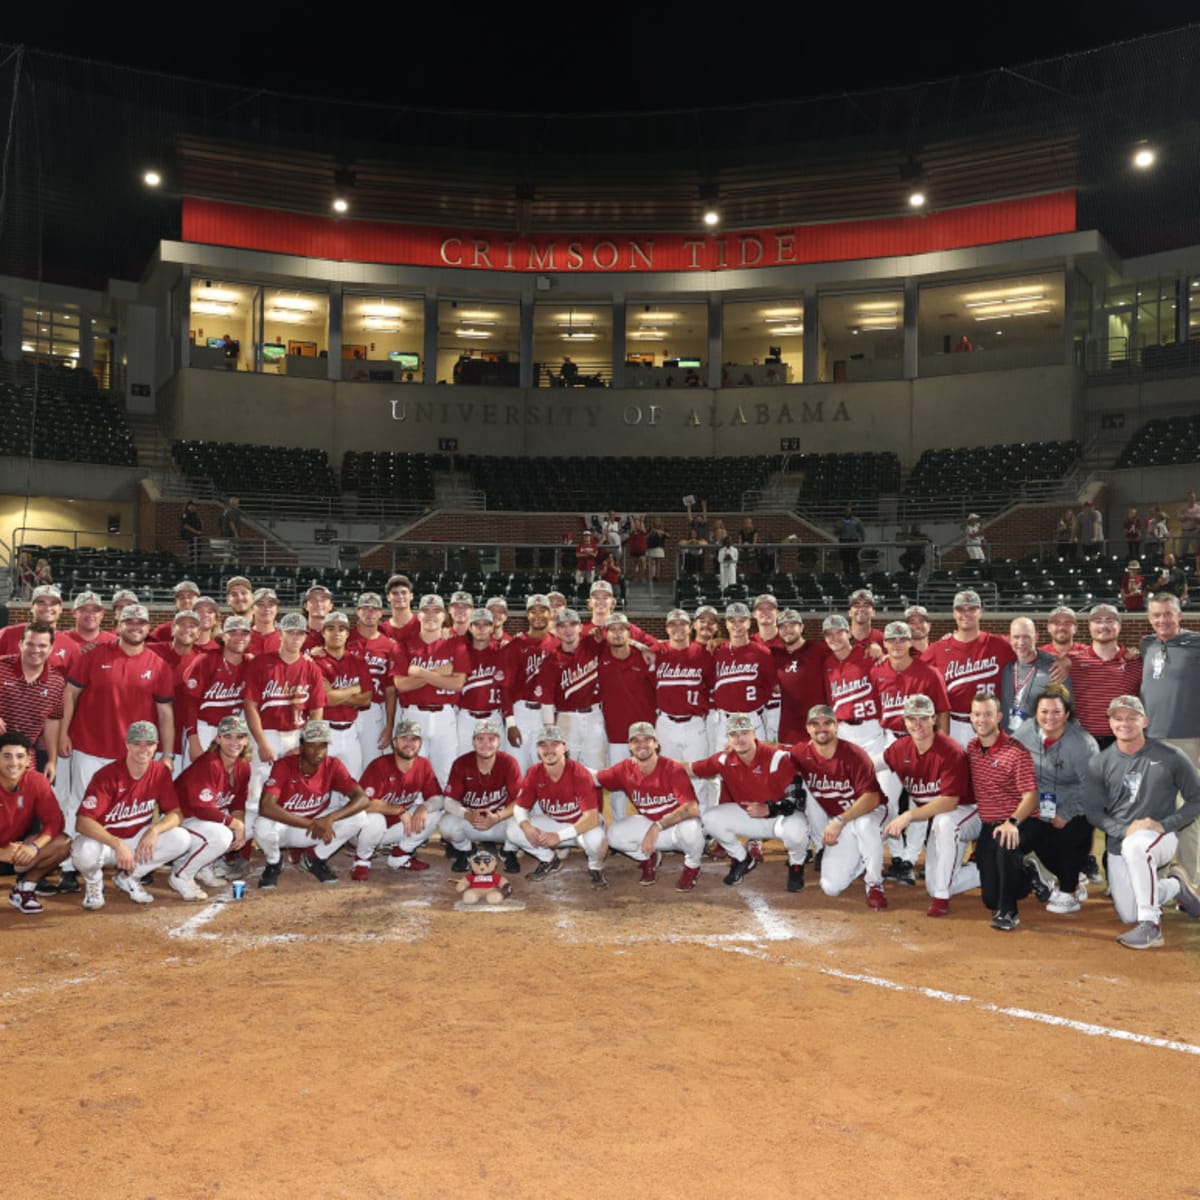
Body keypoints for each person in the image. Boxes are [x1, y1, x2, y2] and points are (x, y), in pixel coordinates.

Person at [58, 603, 176, 894]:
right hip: (91, 746)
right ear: (118, 624)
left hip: (135, 755)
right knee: (79, 807)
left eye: (141, 623)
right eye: (129, 621)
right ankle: (73, 868)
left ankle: (132, 863)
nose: (135, 626)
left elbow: (165, 713)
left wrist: (169, 753)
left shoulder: (157, 664)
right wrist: (63, 732)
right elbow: (70, 693)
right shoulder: (95, 655)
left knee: (132, 811)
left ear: (148, 628)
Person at [1086, 695, 1200, 950]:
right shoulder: (1100, 762)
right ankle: (1174, 885)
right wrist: (1124, 830)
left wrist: (1167, 824)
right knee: (1128, 913)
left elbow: (1196, 799)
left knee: (1136, 846)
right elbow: (1093, 811)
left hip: (1159, 837)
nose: (1124, 723)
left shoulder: (1171, 756)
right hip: (1119, 841)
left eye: (1131, 718)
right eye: (1118, 718)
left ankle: (1152, 927)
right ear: (1110, 723)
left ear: (1144, 721)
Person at [72, 721, 193, 910]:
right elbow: (82, 822)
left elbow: (176, 814)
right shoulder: (108, 775)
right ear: (127, 745)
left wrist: (154, 830)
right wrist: (117, 843)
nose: (143, 749)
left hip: (136, 839)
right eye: (137, 743)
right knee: (83, 849)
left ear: (156, 746)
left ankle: (129, 877)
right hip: (106, 842)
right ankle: (94, 882)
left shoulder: (160, 772)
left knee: (181, 838)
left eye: (149, 744)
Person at [689, 712, 808, 890]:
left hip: (780, 818)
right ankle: (742, 858)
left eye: (744, 733)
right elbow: (690, 769)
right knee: (710, 817)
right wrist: (653, 762)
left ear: (754, 734)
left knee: (797, 829)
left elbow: (797, 799)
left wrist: (770, 809)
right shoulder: (724, 759)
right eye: (734, 735)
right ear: (728, 739)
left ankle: (796, 865)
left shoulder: (776, 757)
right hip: (750, 816)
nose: (739, 739)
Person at [883, 695, 977, 917]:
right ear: (904, 722)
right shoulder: (901, 748)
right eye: (912, 719)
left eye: (924, 718)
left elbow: (950, 801)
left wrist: (908, 816)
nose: (918, 725)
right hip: (945, 818)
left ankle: (942, 899)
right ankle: (989, 872)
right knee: (933, 884)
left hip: (971, 812)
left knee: (944, 822)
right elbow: (874, 762)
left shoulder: (950, 749)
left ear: (934, 719)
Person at [1012, 686, 1099, 915]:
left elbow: (1094, 788)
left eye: (1056, 712)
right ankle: (1066, 876)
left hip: (1075, 807)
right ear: (1035, 713)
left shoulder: (1083, 744)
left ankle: (1069, 889)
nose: (1049, 718)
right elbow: (1009, 759)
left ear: (1067, 714)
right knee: (1023, 838)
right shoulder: (1024, 733)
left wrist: (1067, 813)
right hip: (1037, 807)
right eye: (1044, 712)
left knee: (1070, 835)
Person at [790, 705, 887, 907]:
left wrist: (840, 820)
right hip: (843, 822)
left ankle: (874, 883)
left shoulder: (854, 755)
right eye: (815, 724)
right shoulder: (801, 753)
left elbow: (872, 798)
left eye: (827, 723)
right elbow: (770, 752)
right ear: (808, 728)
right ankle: (863, 856)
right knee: (831, 887)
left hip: (873, 813)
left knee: (864, 826)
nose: (821, 728)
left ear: (836, 727)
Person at [256, 719, 369, 888]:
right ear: (301, 747)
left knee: (359, 817)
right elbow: (265, 807)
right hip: (288, 827)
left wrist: (330, 818)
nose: (318, 752)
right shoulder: (284, 766)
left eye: (323, 746)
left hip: (316, 828)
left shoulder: (333, 765)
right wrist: (310, 823)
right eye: (311, 746)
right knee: (262, 826)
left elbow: (363, 798)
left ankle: (315, 859)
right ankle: (274, 862)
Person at [243, 611, 327, 836]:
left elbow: (317, 709)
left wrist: (306, 743)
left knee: (293, 786)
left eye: (300, 634)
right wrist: (260, 742)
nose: (295, 638)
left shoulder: (311, 668)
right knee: (256, 788)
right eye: (291, 633)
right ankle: (244, 847)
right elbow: (250, 705)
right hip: (267, 731)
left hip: (296, 733)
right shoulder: (262, 663)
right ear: (281, 634)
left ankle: (289, 839)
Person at [595, 722, 704, 890]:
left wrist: (657, 827)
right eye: (636, 741)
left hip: (676, 829)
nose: (641, 744)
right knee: (614, 835)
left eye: (647, 739)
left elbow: (691, 808)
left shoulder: (672, 768)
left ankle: (692, 867)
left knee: (692, 828)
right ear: (630, 746)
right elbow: (595, 777)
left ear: (656, 743)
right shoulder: (625, 768)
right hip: (652, 829)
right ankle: (648, 858)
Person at [964, 692, 1039, 932]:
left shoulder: (1016, 752)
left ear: (998, 717)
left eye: (987, 714)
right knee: (989, 899)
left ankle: (1008, 912)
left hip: (1021, 821)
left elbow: (1031, 796)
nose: (982, 719)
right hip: (989, 825)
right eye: (977, 714)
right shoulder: (972, 748)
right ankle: (1028, 873)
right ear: (971, 718)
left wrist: (1012, 822)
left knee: (1005, 842)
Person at [1139, 592, 1200, 886]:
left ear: (1179, 615)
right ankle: (1160, 878)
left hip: (1188, 739)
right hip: (1151, 741)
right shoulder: (1147, 644)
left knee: (1187, 811)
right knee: (1155, 810)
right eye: (1156, 615)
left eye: (1167, 614)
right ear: (1149, 619)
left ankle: (1188, 879)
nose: (1162, 620)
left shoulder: (1196, 642)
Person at [509, 725, 606, 886]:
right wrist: (527, 826)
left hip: (583, 826)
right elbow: (520, 808)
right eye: (543, 745)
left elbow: (592, 819)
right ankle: (550, 860)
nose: (548, 750)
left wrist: (559, 837)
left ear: (565, 748)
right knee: (513, 829)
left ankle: (595, 868)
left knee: (597, 840)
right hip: (556, 824)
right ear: (538, 750)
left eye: (554, 744)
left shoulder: (578, 772)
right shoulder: (534, 772)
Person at [354, 718, 446, 879]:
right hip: (363, 831)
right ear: (394, 742)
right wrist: (398, 809)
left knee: (434, 813)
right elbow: (363, 804)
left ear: (420, 744)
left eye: (414, 739)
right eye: (404, 738)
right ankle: (362, 860)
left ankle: (400, 855)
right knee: (375, 819)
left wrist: (424, 808)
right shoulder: (379, 765)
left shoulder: (423, 765)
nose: (409, 743)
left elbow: (438, 798)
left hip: (396, 827)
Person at [392, 594, 468, 787]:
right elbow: (401, 684)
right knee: (412, 770)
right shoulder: (404, 645)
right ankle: (414, 812)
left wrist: (420, 673)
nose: (431, 615)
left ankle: (441, 814)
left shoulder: (456, 644)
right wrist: (441, 674)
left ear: (444, 616)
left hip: (445, 716)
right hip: (413, 714)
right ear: (418, 616)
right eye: (426, 611)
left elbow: (457, 683)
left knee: (446, 771)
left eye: (437, 611)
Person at [171, 714, 251, 898]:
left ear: (246, 739)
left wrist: (239, 823)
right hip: (179, 819)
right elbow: (200, 808)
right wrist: (235, 824)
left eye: (239, 736)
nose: (234, 742)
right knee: (222, 834)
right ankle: (181, 875)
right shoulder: (209, 763)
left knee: (248, 824)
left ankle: (202, 866)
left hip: (199, 817)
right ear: (218, 738)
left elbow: (238, 801)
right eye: (228, 736)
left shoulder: (243, 766)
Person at [924, 589, 1017, 747]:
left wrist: (1062, 660)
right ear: (954, 613)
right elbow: (911, 670)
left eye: (971, 609)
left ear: (980, 612)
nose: (965, 614)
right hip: (953, 724)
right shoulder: (938, 649)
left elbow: (1030, 656)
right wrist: (887, 657)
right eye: (960, 609)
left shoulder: (1000, 645)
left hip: (989, 724)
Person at [440, 719, 523, 874]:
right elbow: (449, 801)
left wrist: (497, 817)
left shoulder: (509, 762)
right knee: (446, 826)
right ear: (473, 741)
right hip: (472, 821)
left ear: (499, 742)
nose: (486, 744)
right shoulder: (461, 763)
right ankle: (466, 850)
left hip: (500, 820)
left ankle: (508, 851)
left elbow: (520, 801)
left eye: (491, 739)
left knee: (523, 822)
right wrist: (468, 814)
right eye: (480, 739)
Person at [1, 731, 71, 914]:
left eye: (20, 757)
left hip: (16, 853)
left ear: (27, 760)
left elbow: (55, 821)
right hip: (4, 853)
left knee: (63, 843)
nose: (14, 763)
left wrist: (34, 847)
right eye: (6, 756)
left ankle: (24, 889)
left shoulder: (36, 781)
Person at [1066, 604, 1143, 750]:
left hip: (1123, 743)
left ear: (1119, 626)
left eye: (1110, 621)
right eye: (1098, 621)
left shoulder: (1136, 662)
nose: (1104, 625)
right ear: (1089, 627)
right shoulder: (1072, 661)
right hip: (1082, 742)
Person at [309, 611, 373, 780]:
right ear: (323, 633)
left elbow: (366, 699)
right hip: (324, 730)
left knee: (353, 782)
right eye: (330, 628)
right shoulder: (314, 662)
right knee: (321, 784)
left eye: (341, 629)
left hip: (351, 731)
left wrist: (334, 694)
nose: (336, 632)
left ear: (347, 634)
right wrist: (353, 690)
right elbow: (325, 700)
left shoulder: (358, 661)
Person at [0, 621, 65, 782]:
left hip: (24, 758)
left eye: (42, 646)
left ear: (51, 648)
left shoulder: (56, 681)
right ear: (20, 644)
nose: (36, 650)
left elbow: (52, 722)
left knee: (22, 804)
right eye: (30, 644)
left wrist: (52, 760)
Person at [503, 594, 560, 772]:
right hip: (521, 712)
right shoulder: (515, 645)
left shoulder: (558, 644)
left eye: (542, 610)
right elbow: (505, 687)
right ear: (527, 615)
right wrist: (511, 723)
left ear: (550, 613)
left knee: (544, 771)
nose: (538, 615)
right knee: (516, 770)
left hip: (548, 713)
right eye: (532, 611)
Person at [710, 602, 777, 741]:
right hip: (724, 721)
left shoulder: (762, 652)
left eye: (742, 620)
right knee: (722, 762)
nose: (736, 625)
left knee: (757, 761)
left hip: (753, 719)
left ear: (749, 623)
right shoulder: (717, 651)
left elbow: (774, 686)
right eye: (732, 621)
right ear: (726, 624)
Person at [456, 608, 507, 753]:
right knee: (462, 760)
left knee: (496, 763)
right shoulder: (460, 651)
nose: (481, 628)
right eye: (476, 624)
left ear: (492, 627)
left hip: (494, 716)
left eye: (486, 624)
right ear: (470, 628)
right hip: (465, 717)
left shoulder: (502, 652)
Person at [1000, 617, 1058, 734]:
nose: (1021, 642)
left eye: (1026, 637)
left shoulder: (1054, 669)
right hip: (1008, 741)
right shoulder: (1006, 669)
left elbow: (1067, 711)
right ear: (1009, 639)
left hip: (1037, 744)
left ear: (1036, 637)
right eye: (1016, 637)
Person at [836, 506, 865, 576]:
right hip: (843, 541)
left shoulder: (857, 520)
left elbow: (862, 532)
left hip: (854, 541)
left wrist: (862, 543)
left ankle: (856, 577)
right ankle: (847, 576)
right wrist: (839, 529)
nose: (847, 512)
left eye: (848, 511)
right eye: (845, 511)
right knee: (845, 561)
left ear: (851, 511)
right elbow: (835, 533)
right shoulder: (840, 521)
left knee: (854, 560)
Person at [1177, 489, 1200, 560]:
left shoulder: (1198, 508)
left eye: (1193, 497)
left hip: (1194, 532)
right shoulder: (1183, 507)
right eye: (1191, 497)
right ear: (1188, 498)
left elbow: (1198, 519)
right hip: (1184, 532)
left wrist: (1187, 516)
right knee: (1181, 551)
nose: (1192, 499)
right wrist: (1192, 517)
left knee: (1197, 550)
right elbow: (1180, 518)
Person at [180, 501, 203, 568]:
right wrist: (195, 532)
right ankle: (192, 562)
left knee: (198, 548)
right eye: (191, 506)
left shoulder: (195, 514)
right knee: (193, 547)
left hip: (197, 535)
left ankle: (197, 562)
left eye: (194, 506)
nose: (193, 507)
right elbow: (185, 525)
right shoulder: (185, 514)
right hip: (189, 534)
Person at [645, 518, 668, 582]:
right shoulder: (650, 528)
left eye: (658, 521)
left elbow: (668, 536)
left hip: (659, 546)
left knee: (658, 562)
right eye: (656, 521)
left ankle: (657, 577)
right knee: (651, 562)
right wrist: (652, 532)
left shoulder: (663, 529)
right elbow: (645, 537)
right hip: (651, 546)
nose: (657, 522)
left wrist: (663, 533)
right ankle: (652, 576)